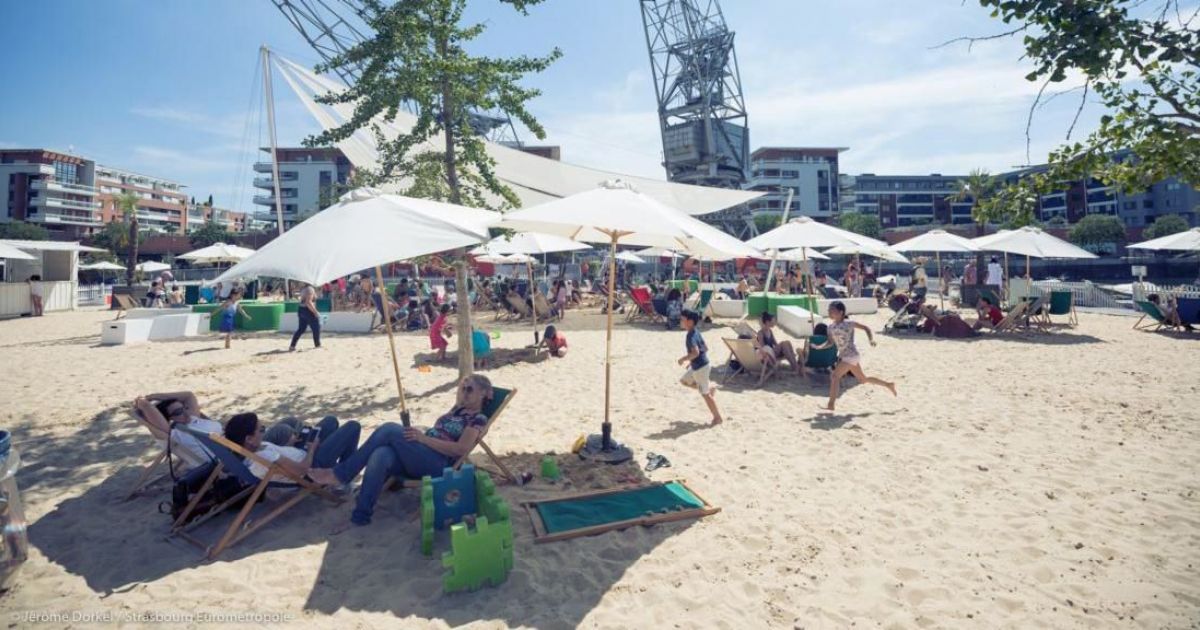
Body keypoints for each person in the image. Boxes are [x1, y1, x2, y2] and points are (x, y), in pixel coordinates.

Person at [308, 375, 496, 529]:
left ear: (484, 394)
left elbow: (460, 450)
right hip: (421, 455)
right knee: (380, 454)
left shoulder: (478, 419)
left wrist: (422, 439)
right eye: (462, 388)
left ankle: (341, 474)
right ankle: (360, 515)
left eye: (469, 389)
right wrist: (420, 437)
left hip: (440, 464)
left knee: (389, 429)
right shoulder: (457, 410)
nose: (464, 392)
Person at [223, 412, 361, 484]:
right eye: (261, 430)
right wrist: (312, 448)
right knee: (353, 426)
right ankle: (342, 479)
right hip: (312, 467)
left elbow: (281, 459)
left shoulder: (250, 452)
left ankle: (338, 467)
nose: (264, 432)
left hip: (301, 453)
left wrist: (290, 444)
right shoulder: (265, 457)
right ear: (249, 439)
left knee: (330, 421)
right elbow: (302, 470)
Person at [823, 301, 896, 412]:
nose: (829, 312)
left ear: (841, 312)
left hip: (851, 355)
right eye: (829, 310)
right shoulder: (830, 327)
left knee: (835, 377)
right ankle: (888, 385)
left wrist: (871, 340)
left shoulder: (849, 323)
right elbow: (830, 342)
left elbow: (866, 328)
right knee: (863, 379)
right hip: (846, 357)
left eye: (832, 310)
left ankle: (831, 404)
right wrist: (819, 347)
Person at [677, 309, 722, 425]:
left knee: (705, 395)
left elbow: (696, 352)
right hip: (700, 365)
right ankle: (709, 388)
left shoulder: (690, 336)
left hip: (701, 368)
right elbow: (705, 348)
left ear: (690, 322)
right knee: (684, 381)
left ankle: (717, 417)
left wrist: (683, 359)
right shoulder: (696, 332)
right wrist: (691, 361)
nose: (680, 321)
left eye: (682, 319)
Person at [755, 312, 799, 384]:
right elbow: (763, 347)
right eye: (773, 321)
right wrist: (780, 347)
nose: (775, 322)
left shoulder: (770, 331)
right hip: (768, 355)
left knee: (787, 342)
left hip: (773, 352)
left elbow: (775, 344)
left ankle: (795, 366)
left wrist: (782, 349)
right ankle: (795, 367)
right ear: (767, 322)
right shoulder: (761, 333)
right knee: (784, 344)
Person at [290, 283, 322, 351]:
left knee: (301, 329)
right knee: (316, 327)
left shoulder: (304, 288)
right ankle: (317, 344)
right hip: (307, 311)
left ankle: (292, 345)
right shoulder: (310, 289)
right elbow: (308, 302)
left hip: (301, 310)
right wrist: (315, 312)